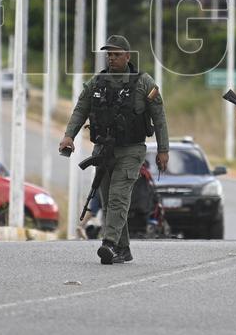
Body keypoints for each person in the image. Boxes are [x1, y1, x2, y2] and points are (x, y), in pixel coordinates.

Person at [59, 35, 169, 265]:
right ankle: (123, 248)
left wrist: (163, 150)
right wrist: (69, 136)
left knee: (119, 196)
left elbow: (159, 119)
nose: (112, 58)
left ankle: (108, 243)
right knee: (109, 200)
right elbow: (81, 109)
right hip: (103, 149)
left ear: (128, 56)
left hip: (132, 150)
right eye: (109, 54)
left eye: (116, 54)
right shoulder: (97, 82)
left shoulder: (143, 83)